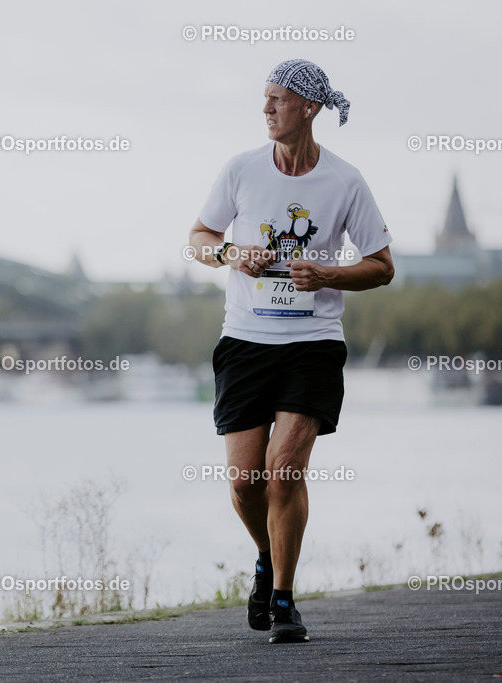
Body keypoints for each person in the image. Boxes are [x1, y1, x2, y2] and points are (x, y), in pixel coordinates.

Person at [187, 58, 394, 643]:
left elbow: (381, 267)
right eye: (265, 98)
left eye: (277, 99)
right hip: (245, 343)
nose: (266, 109)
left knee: (283, 473)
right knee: (245, 482)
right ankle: (265, 558)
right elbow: (197, 238)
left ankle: (283, 599)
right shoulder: (241, 170)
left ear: (309, 108)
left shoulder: (345, 181)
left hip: (313, 346)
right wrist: (229, 254)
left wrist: (328, 274)